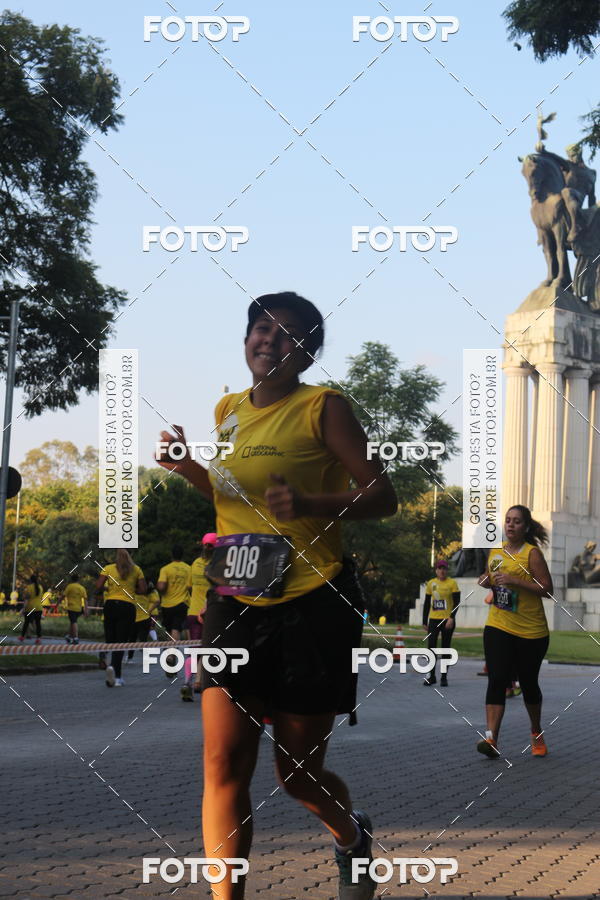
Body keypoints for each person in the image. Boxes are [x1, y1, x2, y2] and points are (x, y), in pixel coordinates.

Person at [157, 291, 398, 900]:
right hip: (235, 591)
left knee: (296, 776)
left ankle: (352, 838)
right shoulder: (228, 409)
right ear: (246, 340)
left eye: (289, 333)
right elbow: (230, 496)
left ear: (307, 352)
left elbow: (382, 495)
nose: (270, 339)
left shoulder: (326, 407)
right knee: (222, 765)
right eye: (261, 327)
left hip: (313, 599)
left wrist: (314, 504)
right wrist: (189, 467)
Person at [476, 505, 552, 758]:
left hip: (531, 631)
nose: (510, 525)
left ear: (526, 527)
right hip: (499, 624)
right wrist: (486, 580)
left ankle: (536, 732)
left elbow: (547, 588)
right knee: (497, 679)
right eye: (508, 520)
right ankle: (491, 739)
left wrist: (515, 581)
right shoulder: (496, 552)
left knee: (529, 685)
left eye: (517, 521)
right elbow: (491, 578)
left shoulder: (532, 554)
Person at [95, 549, 146, 687]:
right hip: (127, 607)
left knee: (111, 641)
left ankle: (111, 665)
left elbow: (98, 586)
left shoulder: (108, 568)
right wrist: (132, 588)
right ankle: (117, 676)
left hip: (110, 605)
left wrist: (108, 589)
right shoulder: (137, 569)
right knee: (121, 642)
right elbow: (143, 590)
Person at [181, 533, 216, 702]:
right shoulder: (219, 564)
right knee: (206, 649)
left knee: (193, 649)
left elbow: (189, 586)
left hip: (193, 612)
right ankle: (198, 681)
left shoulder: (194, 563)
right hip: (210, 612)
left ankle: (188, 682)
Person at [422, 559, 460, 687]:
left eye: (444, 568)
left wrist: (451, 617)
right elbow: (427, 603)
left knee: (445, 648)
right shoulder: (431, 583)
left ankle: (444, 677)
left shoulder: (452, 583)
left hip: (447, 620)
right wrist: (424, 621)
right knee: (431, 647)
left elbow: (457, 602)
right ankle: (431, 676)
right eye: (440, 568)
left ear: (446, 570)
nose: (442, 571)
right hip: (433, 619)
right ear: (436, 570)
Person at [157, 546, 191, 644]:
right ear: (182, 555)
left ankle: (170, 653)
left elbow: (161, 587)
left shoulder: (165, 569)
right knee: (176, 628)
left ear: (171, 555)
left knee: (170, 628)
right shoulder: (189, 568)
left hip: (167, 605)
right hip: (182, 603)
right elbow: (190, 587)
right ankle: (171, 652)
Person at [126, 580, 160, 663]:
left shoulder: (132, 593)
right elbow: (157, 601)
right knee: (143, 640)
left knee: (132, 640)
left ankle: (129, 658)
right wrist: (149, 610)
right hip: (144, 619)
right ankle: (146, 659)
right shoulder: (147, 594)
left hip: (135, 619)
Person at [19, 575, 44, 643]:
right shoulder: (40, 587)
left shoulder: (29, 588)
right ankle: (39, 638)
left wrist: (23, 609)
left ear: (30, 580)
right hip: (39, 608)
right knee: (38, 623)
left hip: (30, 608)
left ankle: (22, 637)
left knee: (26, 622)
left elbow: (26, 599)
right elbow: (40, 598)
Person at [63, 575, 88, 644]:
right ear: (78, 580)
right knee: (72, 622)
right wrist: (86, 609)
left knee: (74, 622)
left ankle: (76, 638)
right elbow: (85, 600)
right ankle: (69, 636)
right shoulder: (82, 588)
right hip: (79, 608)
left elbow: (63, 595)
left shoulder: (70, 586)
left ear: (71, 579)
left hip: (71, 608)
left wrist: (57, 604)